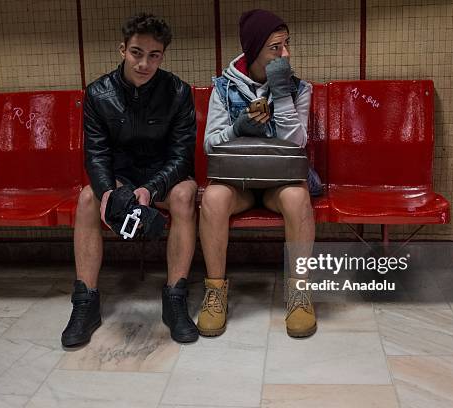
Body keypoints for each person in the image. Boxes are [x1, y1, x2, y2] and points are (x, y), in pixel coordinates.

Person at [61, 13, 199, 347]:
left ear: (162, 56)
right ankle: (85, 302)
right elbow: (95, 154)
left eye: (154, 55)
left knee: (184, 196)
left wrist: (150, 190)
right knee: (86, 199)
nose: (144, 63)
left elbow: (182, 157)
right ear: (123, 49)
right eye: (137, 52)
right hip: (119, 177)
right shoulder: (98, 92)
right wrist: (110, 193)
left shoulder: (178, 91)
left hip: (164, 178)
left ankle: (175, 297)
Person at [197, 9, 317, 338]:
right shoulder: (223, 88)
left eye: (286, 45)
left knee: (298, 197)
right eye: (275, 48)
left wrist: (281, 93)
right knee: (214, 197)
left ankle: (299, 291)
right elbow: (210, 144)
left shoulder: (298, 88)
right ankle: (215, 291)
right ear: (254, 51)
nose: (285, 54)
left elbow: (298, 142)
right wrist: (238, 128)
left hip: (280, 181)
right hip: (241, 181)